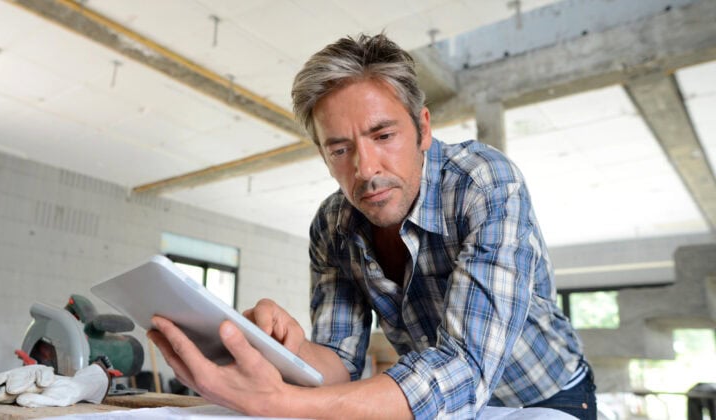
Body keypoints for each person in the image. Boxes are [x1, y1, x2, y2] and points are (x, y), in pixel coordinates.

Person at [148, 33, 597, 419]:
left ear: (422, 129)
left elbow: (464, 368)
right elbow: (339, 362)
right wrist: (290, 350)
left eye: (383, 136)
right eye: (340, 149)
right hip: (434, 404)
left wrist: (282, 404)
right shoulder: (332, 225)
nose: (365, 169)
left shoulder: (484, 183)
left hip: (546, 396)